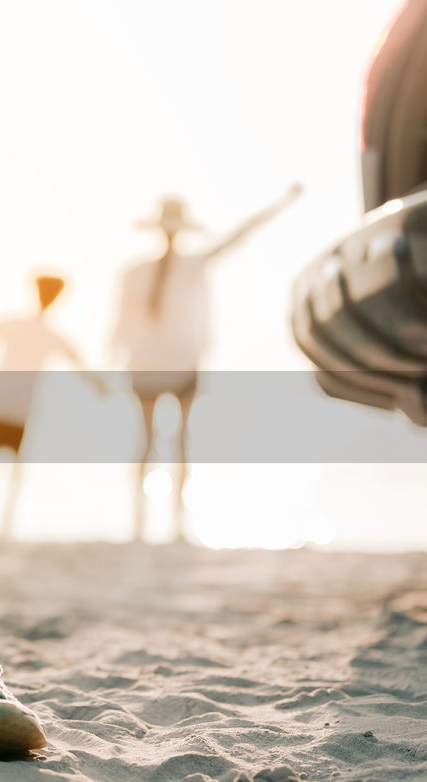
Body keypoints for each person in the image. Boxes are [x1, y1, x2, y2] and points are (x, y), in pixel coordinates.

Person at [112, 186, 300, 541]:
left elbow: (118, 327)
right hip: (161, 364)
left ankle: (162, 522)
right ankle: (150, 522)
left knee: (157, 439)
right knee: (168, 440)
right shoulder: (159, 269)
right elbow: (120, 323)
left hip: (167, 364)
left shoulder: (148, 270)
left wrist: (278, 204)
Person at [0, 274, 104, 537]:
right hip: (16, 403)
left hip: (7, 400)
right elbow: (80, 365)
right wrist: (99, 386)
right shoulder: (44, 333)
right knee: (10, 460)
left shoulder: (19, 326)